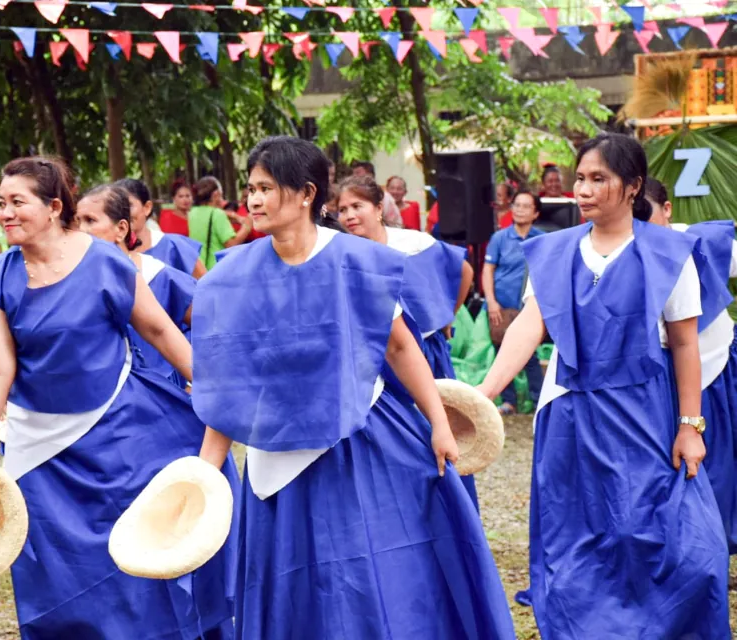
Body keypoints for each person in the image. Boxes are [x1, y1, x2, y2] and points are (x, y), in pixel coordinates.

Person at [192, 136, 515, 639]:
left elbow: (400, 348)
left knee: (369, 577)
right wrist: (204, 476)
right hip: (275, 458)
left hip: (358, 443)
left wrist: (437, 422)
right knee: (295, 589)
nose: (253, 200)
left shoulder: (356, 261)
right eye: (250, 188)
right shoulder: (233, 275)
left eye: (265, 188)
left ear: (304, 194)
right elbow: (230, 380)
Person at [0, 157, 238, 639]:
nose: (4, 213)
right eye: (0, 203)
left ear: (52, 206)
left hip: (124, 434)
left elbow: (159, 330)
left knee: (142, 554)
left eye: (16, 202)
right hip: (43, 453)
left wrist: (215, 390)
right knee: (61, 573)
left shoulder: (106, 260)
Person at [478, 134, 729, 638]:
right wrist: (482, 396)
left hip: (647, 413)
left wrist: (689, 426)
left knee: (675, 542)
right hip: (573, 418)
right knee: (578, 541)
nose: (583, 190)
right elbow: (531, 325)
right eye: (580, 178)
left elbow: (684, 345)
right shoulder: (552, 252)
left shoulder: (668, 252)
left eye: (599, 179)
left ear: (633, 186)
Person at [336, 175, 480, 507]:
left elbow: (465, 273)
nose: (349, 216)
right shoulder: (345, 253)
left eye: (357, 206)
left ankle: (451, 509)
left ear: (378, 208)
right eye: (342, 209)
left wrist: (446, 314)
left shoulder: (414, 244)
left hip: (424, 355)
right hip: (375, 362)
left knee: (438, 432)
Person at [644, 177, 737, 554]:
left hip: (717, 370)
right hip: (662, 381)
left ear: (667, 210)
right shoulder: (624, 250)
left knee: (721, 467)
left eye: (644, 214)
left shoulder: (704, 243)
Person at [78, 183, 196, 388]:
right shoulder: (76, 281)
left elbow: (213, 325)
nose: (81, 230)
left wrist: (197, 384)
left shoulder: (157, 275)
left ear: (121, 228)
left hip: (164, 397)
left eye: (90, 220)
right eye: (77, 221)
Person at [481, 190, 545, 415]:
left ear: (536, 212)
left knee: (531, 356)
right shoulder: (499, 238)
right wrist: (491, 302)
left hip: (529, 308)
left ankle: (539, 401)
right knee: (502, 352)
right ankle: (509, 402)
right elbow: (488, 270)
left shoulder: (541, 239)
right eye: (516, 205)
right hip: (502, 306)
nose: (519, 209)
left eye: (526, 206)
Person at [118, 178, 207, 279]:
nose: (122, 213)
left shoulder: (175, 246)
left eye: (128, 206)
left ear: (147, 207)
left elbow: (206, 285)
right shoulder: (110, 252)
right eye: (117, 208)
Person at [188, 176, 251, 270]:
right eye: (221, 195)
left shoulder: (193, 212)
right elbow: (231, 244)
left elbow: (209, 216)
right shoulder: (217, 214)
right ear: (215, 194)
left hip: (199, 269)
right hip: (216, 268)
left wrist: (234, 216)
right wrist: (247, 226)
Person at [351, 160, 403, 228]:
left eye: (358, 173)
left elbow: (395, 223)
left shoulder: (385, 197)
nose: (354, 177)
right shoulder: (352, 197)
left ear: (370, 175)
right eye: (353, 174)